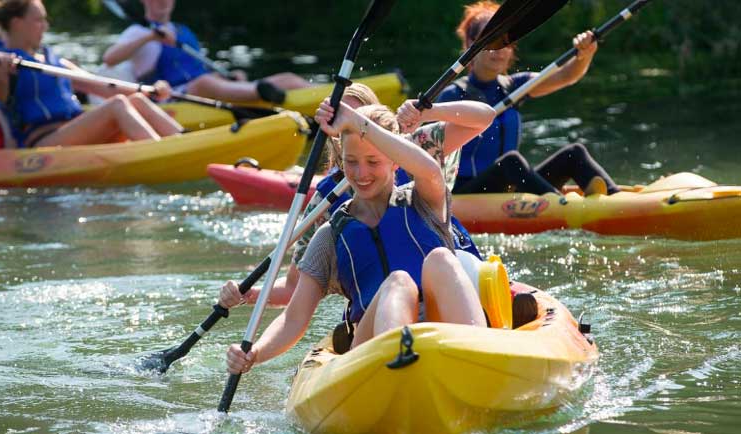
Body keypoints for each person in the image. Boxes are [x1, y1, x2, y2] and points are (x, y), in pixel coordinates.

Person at [226, 100, 488, 374]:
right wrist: (254, 353)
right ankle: (401, 367)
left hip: (442, 332)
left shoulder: (423, 200)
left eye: (373, 161)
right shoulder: (330, 234)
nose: (361, 174)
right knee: (398, 282)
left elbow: (430, 170)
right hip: (372, 348)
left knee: (442, 258)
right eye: (351, 162)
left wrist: (356, 121)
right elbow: (294, 318)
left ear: (395, 161)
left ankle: (480, 357)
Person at [217, 84, 495, 310]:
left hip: (458, 276)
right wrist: (249, 294)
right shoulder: (325, 199)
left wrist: (428, 112)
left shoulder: (419, 145)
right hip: (388, 305)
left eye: (358, 117)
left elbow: (483, 117)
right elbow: (295, 287)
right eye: (341, 117)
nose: (352, 126)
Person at [437, 0, 619, 196]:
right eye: (491, 41)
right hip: (466, 193)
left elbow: (567, 76)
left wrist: (584, 54)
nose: (499, 50)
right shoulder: (453, 95)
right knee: (511, 162)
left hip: (511, 183)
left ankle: (616, 199)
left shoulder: (514, 87)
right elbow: (428, 151)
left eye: (505, 42)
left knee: (574, 154)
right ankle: (558, 206)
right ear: (470, 45)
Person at [0, 0, 183, 148]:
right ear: (17, 23)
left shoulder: (57, 63)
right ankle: (160, 152)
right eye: (38, 20)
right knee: (117, 104)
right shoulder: (1, 66)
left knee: (137, 100)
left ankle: (183, 140)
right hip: (43, 141)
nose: (45, 26)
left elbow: (104, 86)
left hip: (77, 130)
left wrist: (150, 90)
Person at [102, 0, 310, 104]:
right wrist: (150, 37)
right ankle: (260, 92)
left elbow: (201, 68)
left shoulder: (182, 30)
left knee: (287, 78)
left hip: (205, 88)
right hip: (172, 96)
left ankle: (329, 97)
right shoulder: (138, 31)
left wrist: (227, 77)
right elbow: (109, 59)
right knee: (204, 83)